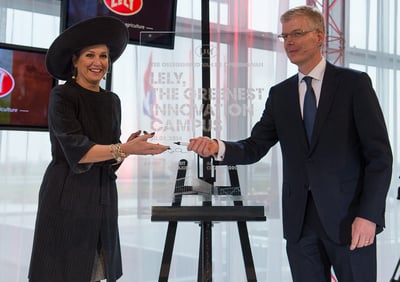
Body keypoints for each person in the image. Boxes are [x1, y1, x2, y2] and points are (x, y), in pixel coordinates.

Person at [187, 5, 393, 282]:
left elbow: (379, 157)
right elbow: (255, 146)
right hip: (300, 224)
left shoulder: (353, 84)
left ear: (319, 36)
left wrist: (369, 216)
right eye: (284, 37)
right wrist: (218, 147)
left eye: (297, 33)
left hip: (351, 220)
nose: (290, 42)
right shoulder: (280, 94)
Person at [28, 16, 169, 282]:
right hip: (67, 195)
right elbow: (78, 151)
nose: (98, 62)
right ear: (75, 60)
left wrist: (127, 148)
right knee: (63, 271)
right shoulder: (62, 96)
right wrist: (124, 147)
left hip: (103, 195)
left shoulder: (112, 100)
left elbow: (109, 159)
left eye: (103, 56)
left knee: (96, 271)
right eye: (90, 55)